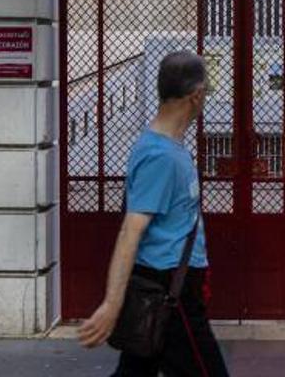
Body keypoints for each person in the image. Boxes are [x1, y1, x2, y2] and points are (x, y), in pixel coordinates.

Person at [78, 51, 230, 377]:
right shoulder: (159, 156)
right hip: (172, 295)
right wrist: (111, 305)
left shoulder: (170, 148)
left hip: (170, 286)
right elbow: (130, 231)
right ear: (196, 95)